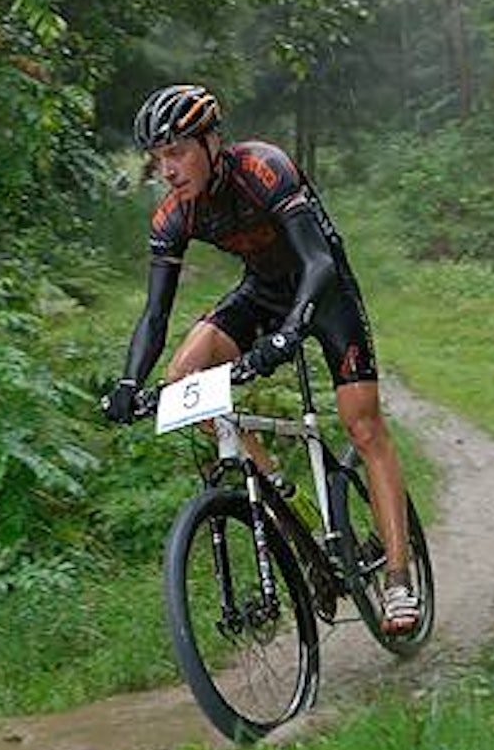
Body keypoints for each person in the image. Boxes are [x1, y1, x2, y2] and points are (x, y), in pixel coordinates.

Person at [101, 83, 419, 634]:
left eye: (177, 151)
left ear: (211, 142)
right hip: (264, 291)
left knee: (363, 427)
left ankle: (397, 578)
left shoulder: (262, 168)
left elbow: (317, 260)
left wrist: (292, 333)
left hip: (324, 289)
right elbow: (155, 316)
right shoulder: (174, 215)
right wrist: (130, 383)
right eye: (158, 158)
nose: (168, 169)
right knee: (182, 380)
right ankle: (274, 490)